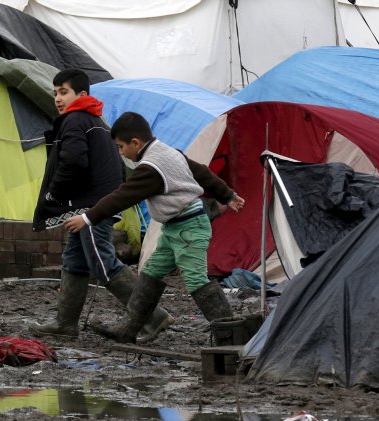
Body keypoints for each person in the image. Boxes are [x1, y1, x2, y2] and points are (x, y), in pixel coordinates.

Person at [63, 111, 246, 343]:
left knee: (196, 279)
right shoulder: (168, 151)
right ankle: (129, 328)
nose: (120, 153)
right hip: (173, 228)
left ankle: (230, 334)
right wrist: (227, 194)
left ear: (136, 143)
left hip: (189, 228)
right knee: (151, 272)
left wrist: (87, 218)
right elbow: (200, 171)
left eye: (121, 147)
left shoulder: (150, 168)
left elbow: (122, 196)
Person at [31, 69, 171, 339]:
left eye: (64, 92)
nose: (58, 98)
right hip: (93, 204)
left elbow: (73, 161)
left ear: (81, 95)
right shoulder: (95, 121)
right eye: (55, 92)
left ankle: (154, 317)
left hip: (90, 207)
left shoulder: (74, 120)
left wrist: (54, 195)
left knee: (102, 262)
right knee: (75, 260)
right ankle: (65, 323)